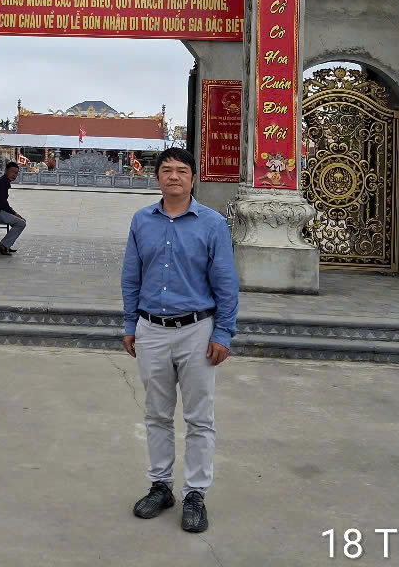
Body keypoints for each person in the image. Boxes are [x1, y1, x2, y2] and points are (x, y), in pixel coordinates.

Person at [121, 146, 238, 534]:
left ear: (192, 179)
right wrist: (130, 324)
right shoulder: (142, 221)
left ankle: (195, 494)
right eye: (167, 170)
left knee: (199, 417)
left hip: (196, 331)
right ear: (157, 177)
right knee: (156, 413)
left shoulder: (212, 224)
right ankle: (160, 486)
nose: (174, 176)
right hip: (150, 329)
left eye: (181, 171)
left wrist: (223, 332)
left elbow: (226, 282)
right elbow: (131, 277)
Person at [0, 161, 27, 256]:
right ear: (6, 171)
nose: (14, 175)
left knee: (22, 221)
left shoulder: (4, 182)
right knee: (21, 223)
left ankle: (7, 244)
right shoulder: (2, 183)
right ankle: (3, 245)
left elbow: (3, 203)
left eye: (16, 173)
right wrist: (14, 213)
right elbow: (2, 203)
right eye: (12, 172)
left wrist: (14, 213)